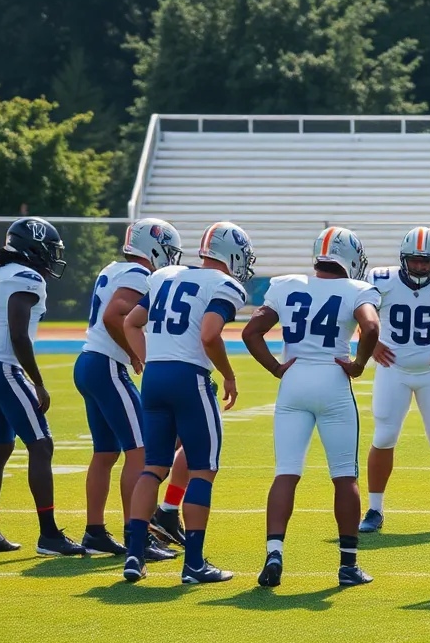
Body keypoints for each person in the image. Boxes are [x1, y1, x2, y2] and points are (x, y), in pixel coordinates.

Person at [242, 226, 381, 588]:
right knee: (344, 476)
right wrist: (359, 364)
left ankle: (274, 553)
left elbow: (250, 333)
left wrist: (275, 367)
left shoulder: (287, 284)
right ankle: (348, 565)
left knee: (286, 472)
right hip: (333, 380)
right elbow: (370, 327)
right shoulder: (356, 289)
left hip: (294, 380)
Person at [121, 222, 254, 584]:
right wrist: (227, 373)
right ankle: (193, 563)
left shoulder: (164, 275)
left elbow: (132, 323)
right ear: (233, 254)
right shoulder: (225, 285)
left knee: (153, 467)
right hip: (190, 378)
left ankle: (134, 556)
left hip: (154, 380)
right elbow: (209, 334)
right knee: (202, 469)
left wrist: (152, 359)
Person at [0, 217, 84, 556]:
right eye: (47, 249)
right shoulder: (26, 277)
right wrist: (38, 382)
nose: (50, 256)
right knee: (41, 446)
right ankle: (49, 536)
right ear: (33, 247)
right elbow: (17, 334)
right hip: (3, 369)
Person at [73, 218, 185, 560]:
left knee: (106, 454)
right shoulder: (138, 274)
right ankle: (136, 534)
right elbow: (115, 315)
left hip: (91, 361)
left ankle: (94, 532)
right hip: (106, 364)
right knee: (142, 451)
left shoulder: (114, 269)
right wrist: (137, 353)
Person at [358, 227, 430, 534]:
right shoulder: (380, 280)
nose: (420, 266)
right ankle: (374, 508)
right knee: (383, 436)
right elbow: (358, 313)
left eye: (427, 261)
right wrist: (372, 344)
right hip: (392, 370)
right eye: (415, 260)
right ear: (403, 258)